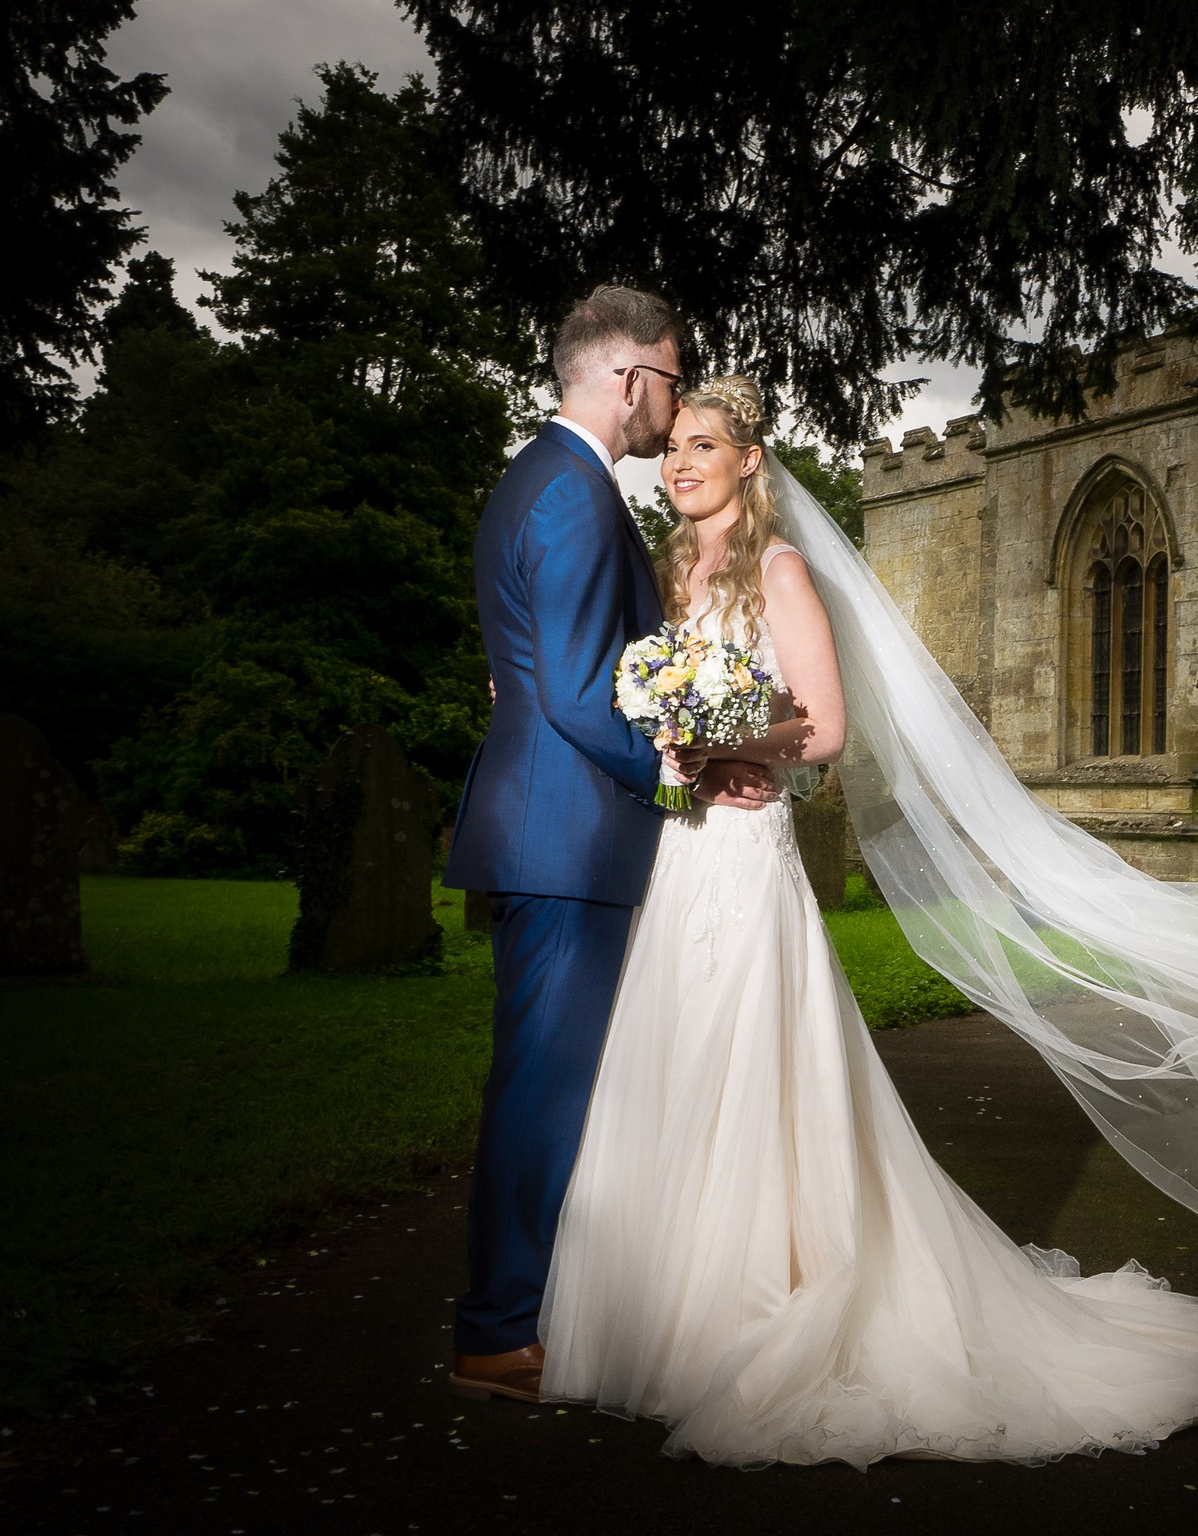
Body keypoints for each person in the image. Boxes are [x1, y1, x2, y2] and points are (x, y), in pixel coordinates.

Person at [536, 377, 1198, 1465]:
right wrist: (658, 738)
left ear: (751, 461)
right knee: (671, 1056)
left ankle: (760, 1307)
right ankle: (659, 1318)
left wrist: (726, 750)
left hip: (744, 851)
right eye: (675, 449)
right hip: (677, 850)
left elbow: (823, 729)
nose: (682, 464)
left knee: (748, 1062)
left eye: (706, 447)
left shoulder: (778, 569)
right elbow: (629, 692)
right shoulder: (662, 573)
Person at [440, 294, 777, 1404]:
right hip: (568, 834)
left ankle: (521, 1311)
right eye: (676, 381)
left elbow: (540, 672)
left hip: (546, 827)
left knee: (543, 1079)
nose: (678, 401)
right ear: (632, 378)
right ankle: (499, 1330)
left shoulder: (533, 479)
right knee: (544, 1087)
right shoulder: (576, 495)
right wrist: (675, 771)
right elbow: (586, 694)